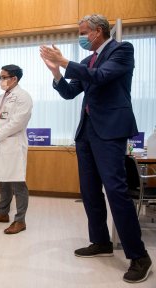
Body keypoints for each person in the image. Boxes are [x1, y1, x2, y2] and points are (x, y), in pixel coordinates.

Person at [40, 14, 152, 283]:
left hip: (111, 130)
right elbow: (69, 93)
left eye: (83, 32)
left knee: (116, 191)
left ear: (99, 31)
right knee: (89, 191)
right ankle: (100, 241)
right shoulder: (87, 61)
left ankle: (139, 256)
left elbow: (101, 77)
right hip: (87, 132)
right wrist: (56, 73)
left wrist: (65, 62)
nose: (81, 37)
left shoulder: (122, 50)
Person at [0, 64, 33, 234]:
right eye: (0, 77)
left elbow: (17, 123)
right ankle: (2, 213)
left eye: (4, 77)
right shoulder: (1, 97)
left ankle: (20, 221)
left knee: (18, 183)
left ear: (14, 79)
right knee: (3, 180)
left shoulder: (23, 97)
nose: (1, 81)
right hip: (0, 144)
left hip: (13, 143)